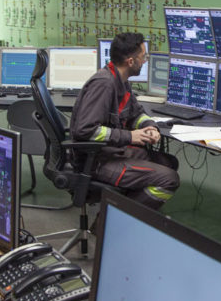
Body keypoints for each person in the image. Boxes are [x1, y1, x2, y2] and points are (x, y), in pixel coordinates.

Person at [70, 32, 179, 209]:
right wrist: (130, 137)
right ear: (130, 61)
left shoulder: (121, 80)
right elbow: (85, 130)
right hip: (96, 161)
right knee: (170, 179)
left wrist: (150, 127)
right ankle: (111, 220)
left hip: (110, 151)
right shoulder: (104, 84)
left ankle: (121, 206)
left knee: (169, 163)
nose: (145, 61)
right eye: (143, 57)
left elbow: (136, 114)